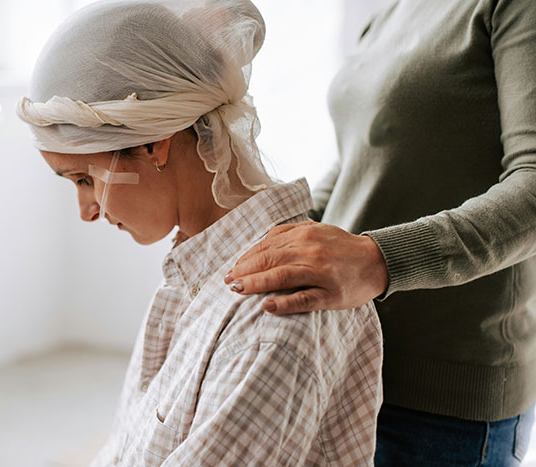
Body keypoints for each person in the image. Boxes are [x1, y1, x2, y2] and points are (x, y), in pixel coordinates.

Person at [16, 1, 383, 465]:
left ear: (154, 143)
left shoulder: (274, 309)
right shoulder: (195, 273)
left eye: (84, 179)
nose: (86, 211)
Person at [225, 0, 536, 465]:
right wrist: (269, 230)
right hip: (348, 357)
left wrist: (380, 258)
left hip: (444, 399)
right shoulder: (389, 12)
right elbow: (359, 159)